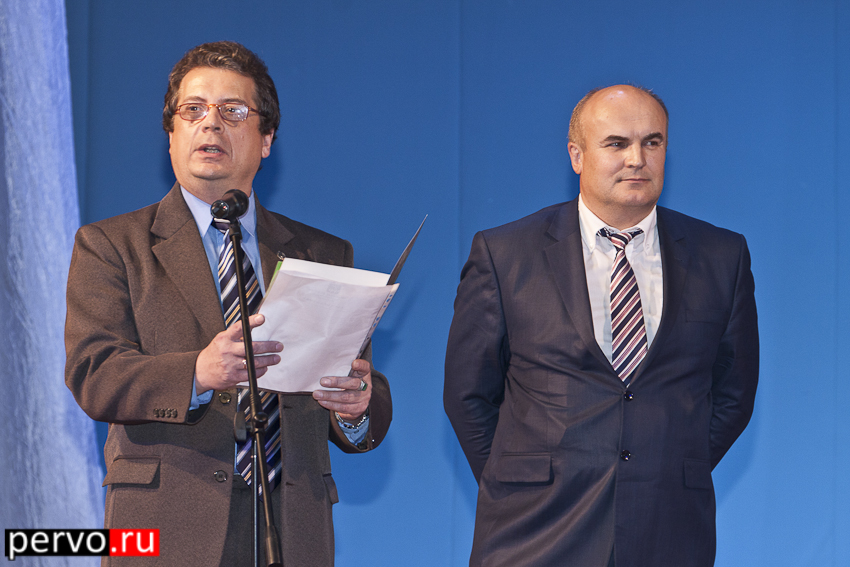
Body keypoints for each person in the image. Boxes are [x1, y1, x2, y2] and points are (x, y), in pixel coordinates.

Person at [65, 41, 391, 566]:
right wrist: (199, 371)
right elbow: (94, 374)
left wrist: (356, 407)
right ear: (171, 135)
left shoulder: (323, 254)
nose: (211, 124)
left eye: (233, 111)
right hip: (167, 529)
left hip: (291, 528)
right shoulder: (112, 245)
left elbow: (354, 382)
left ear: (266, 139)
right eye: (193, 110)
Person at [444, 85, 758, 567]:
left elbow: (733, 393)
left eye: (652, 142)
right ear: (577, 155)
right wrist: (519, 482)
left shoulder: (722, 255)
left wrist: (664, 467)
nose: (637, 159)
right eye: (617, 143)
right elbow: (467, 395)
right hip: (531, 534)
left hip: (669, 534)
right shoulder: (505, 254)